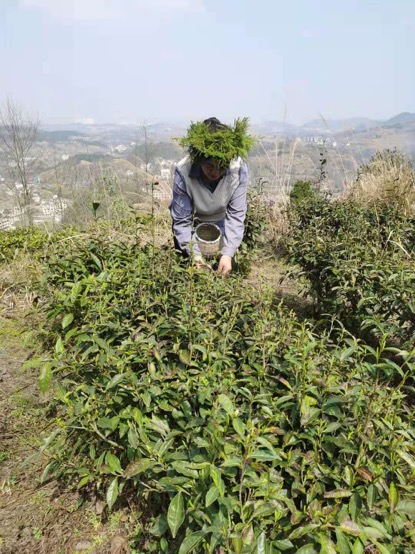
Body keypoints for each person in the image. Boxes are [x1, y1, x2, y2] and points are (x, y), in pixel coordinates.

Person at [169, 117, 254, 275]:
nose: (215, 172)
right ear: (199, 160)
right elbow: (182, 220)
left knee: (219, 270)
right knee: (188, 273)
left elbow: (236, 214)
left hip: (221, 223)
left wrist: (228, 253)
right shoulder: (183, 171)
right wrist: (195, 255)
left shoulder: (238, 170)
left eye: (221, 166)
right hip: (192, 222)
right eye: (209, 165)